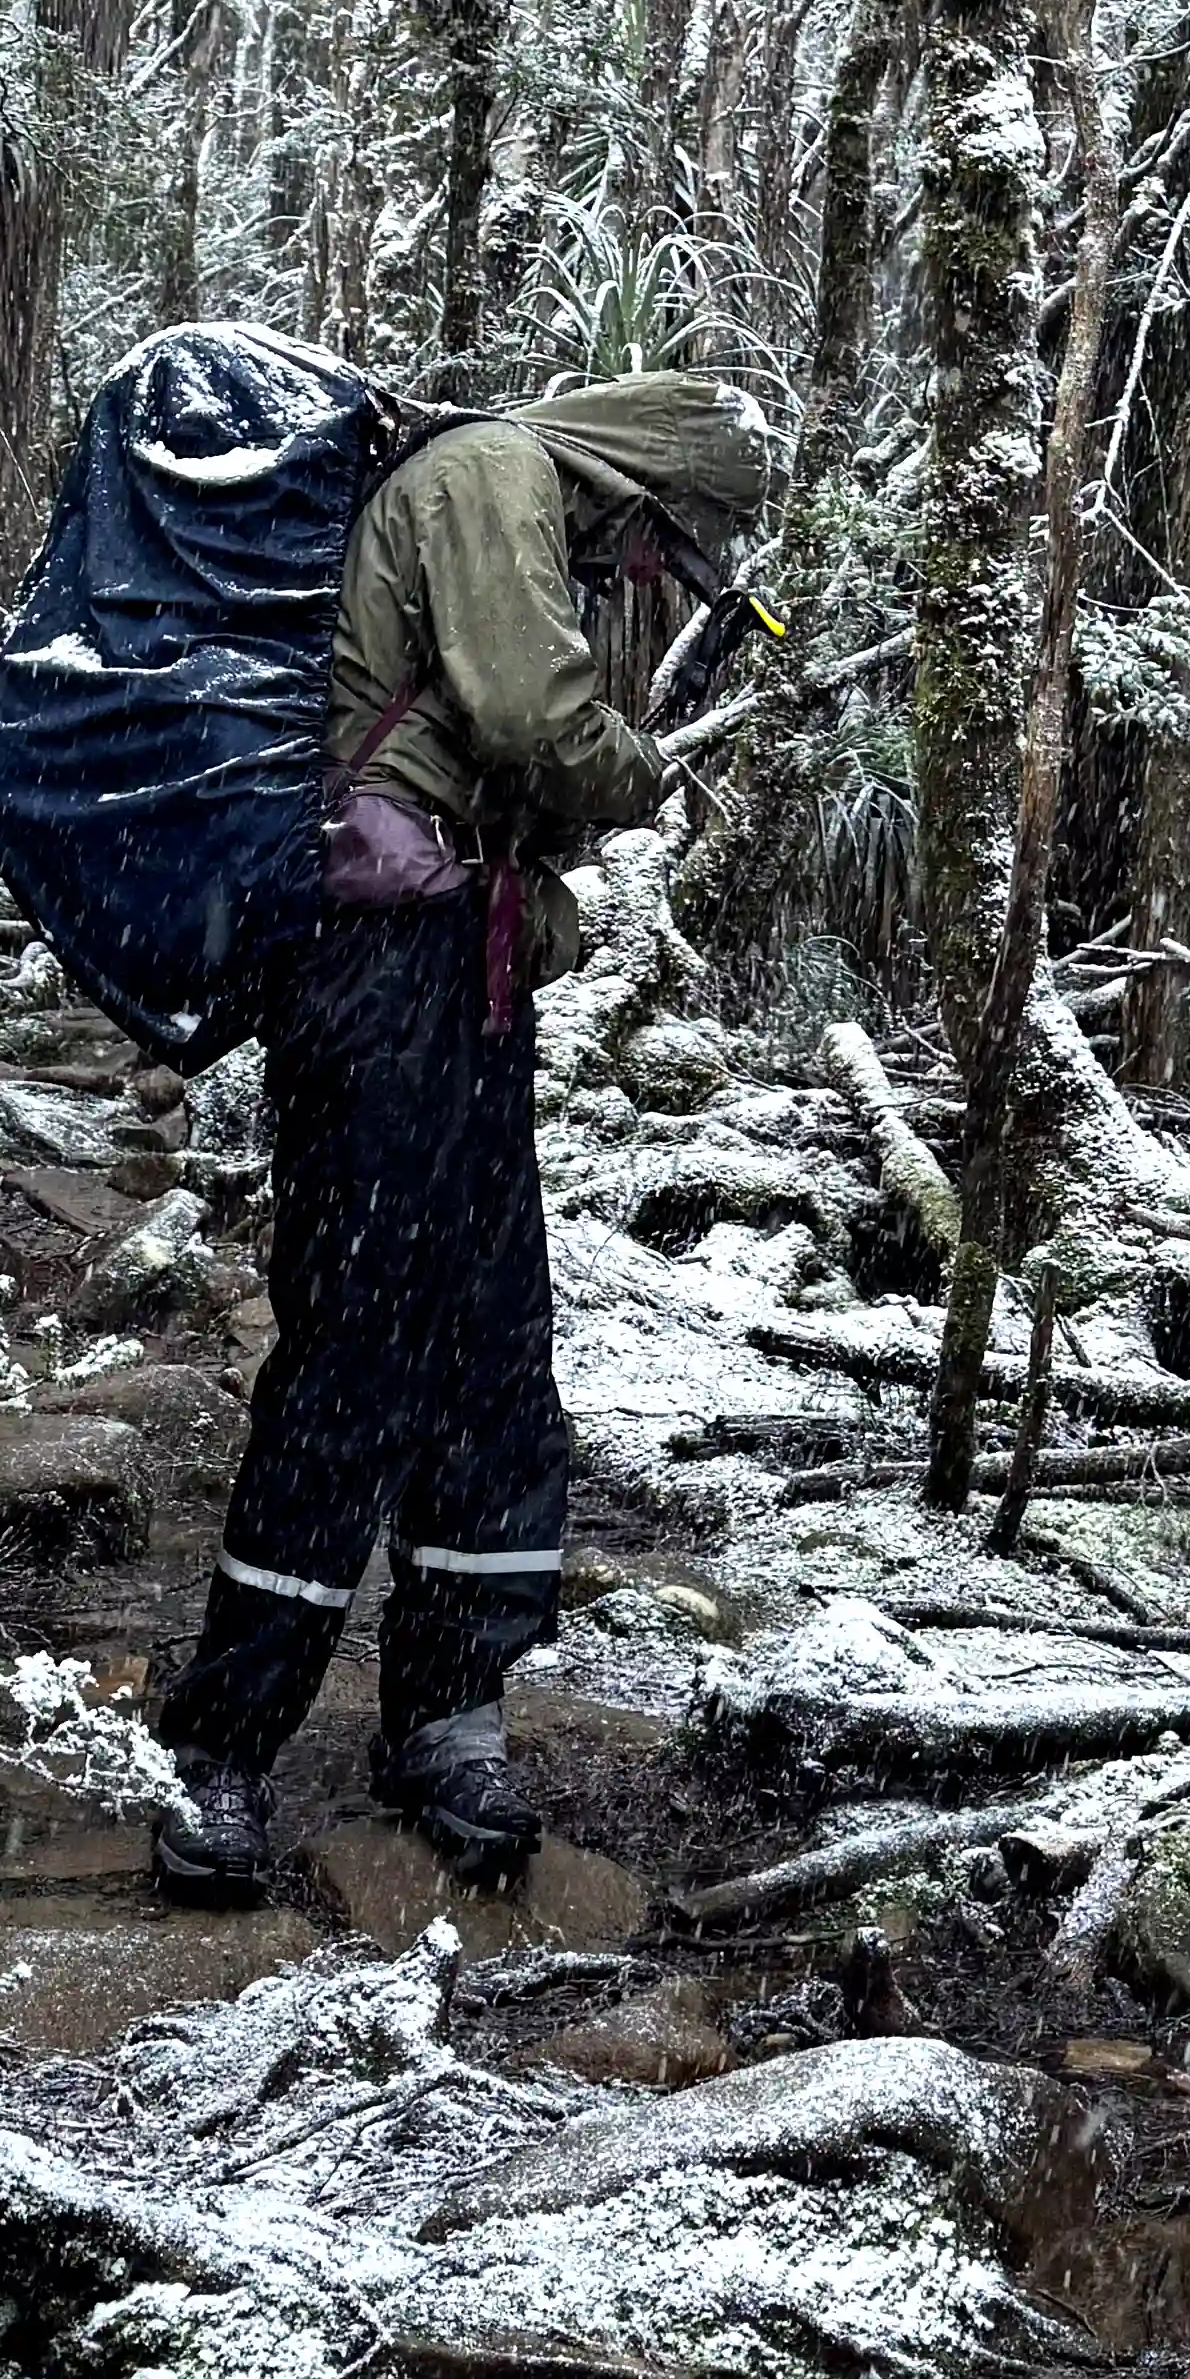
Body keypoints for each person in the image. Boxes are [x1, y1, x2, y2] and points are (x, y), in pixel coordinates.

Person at [149, 368, 771, 1901]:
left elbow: (492, 760)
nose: (641, 577)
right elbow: (524, 711)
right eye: (656, 547)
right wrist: (643, 772)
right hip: (377, 974)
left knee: (493, 1336)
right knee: (360, 1335)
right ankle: (220, 1750)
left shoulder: (525, 501)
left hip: (451, 959)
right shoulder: (494, 473)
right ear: (634, 481)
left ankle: (449, 1717)